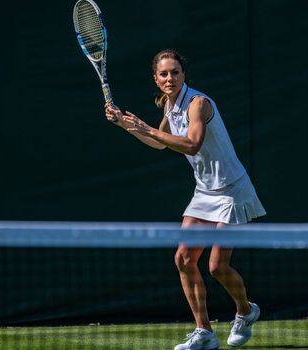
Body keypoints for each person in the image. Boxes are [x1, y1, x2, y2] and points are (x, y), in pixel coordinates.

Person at [105, 49, 266, 350]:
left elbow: (191, 145)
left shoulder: (198, 104)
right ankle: (204, 332)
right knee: (183, 259)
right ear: (156, 78)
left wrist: (146, 127)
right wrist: (124, 124)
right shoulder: (169, 105)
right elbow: (159, 143)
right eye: (164, 74)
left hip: (231, 190)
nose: (170, 78)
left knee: (217, 266)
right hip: (204, 192)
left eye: (175, 72)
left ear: (183, 75)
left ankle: (245, 310)